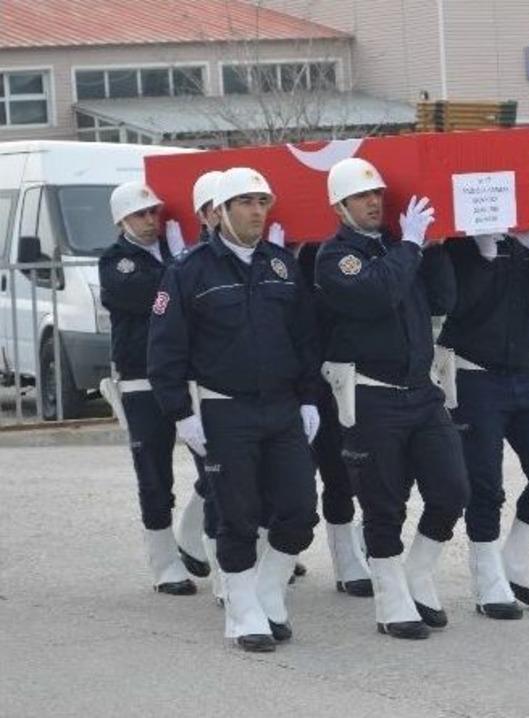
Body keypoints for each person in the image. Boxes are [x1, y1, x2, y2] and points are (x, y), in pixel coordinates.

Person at [148, 167, 321, 652]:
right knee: (238, 517)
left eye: (262, 202)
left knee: (300, 512)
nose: (256, 211)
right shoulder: (188, 271)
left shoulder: (283, 265)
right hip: (225, 412)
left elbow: (305, 339)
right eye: (245, 202)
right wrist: (181, 413)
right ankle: (243, 611)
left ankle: (267, 592)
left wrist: (309, 398)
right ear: (220, 212)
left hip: (283, 410)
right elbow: (164, 351)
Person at [315, 157, 468, 640]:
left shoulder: (404, 249)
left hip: (421, 392)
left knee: (451, 491)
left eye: (377, 194)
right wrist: (411, 245)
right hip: (370, 394)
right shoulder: (335, 256)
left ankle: (418, 573)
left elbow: (444, 301)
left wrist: (436, 250)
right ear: (340, 206)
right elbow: (376, 294)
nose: (374, 202)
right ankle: (391, 600)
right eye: (362, 196)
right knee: (383, 504)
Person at [436, 226, 529, 618]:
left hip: (528, 376)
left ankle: (515, 561)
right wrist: (484, 254)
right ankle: (486, 578)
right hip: (474, 374)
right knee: (484, 485)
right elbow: (455, 304)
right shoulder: (462, 241)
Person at [98, 181, 199, 596]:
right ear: (122, 219)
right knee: (154, 472)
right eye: (141, 214)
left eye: (154, 212)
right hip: (141, 376)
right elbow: (160, 298)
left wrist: (179, 260)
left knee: (219, 461)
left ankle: (192, 535)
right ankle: (163, 561)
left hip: (184, 373)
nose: (150, 220)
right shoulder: (117, 262)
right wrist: (179, 263)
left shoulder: (173, 254)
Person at [296, 241, 373, 598]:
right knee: (290, 482)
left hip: (340, 370)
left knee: (341, 473)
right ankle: (270, 552)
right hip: (290, 377)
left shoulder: (342, 244)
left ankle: (347, 560)